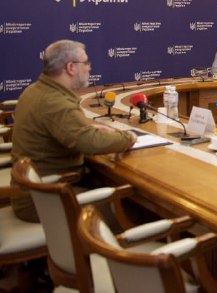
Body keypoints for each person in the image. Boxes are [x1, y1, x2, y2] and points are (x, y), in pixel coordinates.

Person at [11, 40, 137, 222]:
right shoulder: (55, 102)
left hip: (38, 193)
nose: (89, 68)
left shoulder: (36, 90)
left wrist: (89, 129)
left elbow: (62, 129)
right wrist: (128, 137)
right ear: (71, 67)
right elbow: (89, 143)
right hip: (44, 202)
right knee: (135, 211)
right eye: (85, 63)